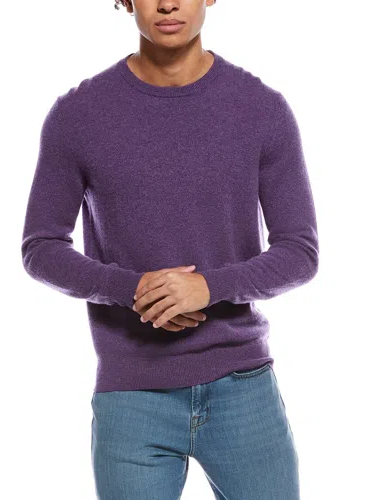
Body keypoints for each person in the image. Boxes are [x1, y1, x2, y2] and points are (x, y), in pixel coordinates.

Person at [21, 0, 319, 498]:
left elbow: (300, 251)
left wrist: (209, 287)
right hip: (132, 395)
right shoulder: (78, 115)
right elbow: (41, 247)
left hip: (243, 389)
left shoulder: (261, 108)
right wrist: (133, 289)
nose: (167, 3)